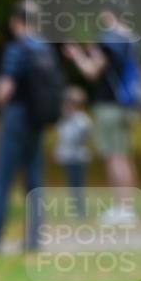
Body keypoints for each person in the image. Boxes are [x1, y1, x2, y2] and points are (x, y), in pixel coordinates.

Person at [0, 0, 63, 253]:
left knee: (2, 178)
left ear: (15, 21)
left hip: (15, 118)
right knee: (34, 179)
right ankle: (34, 240)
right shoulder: (45, 49)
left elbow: (5, 89)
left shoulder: (17, 49)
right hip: (37, 120)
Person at [62, 3, 139, 227]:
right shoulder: (131, 38)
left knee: (113, 155)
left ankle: (122, 208)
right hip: (127, 104)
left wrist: (76, 55)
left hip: (109, 106)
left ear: (108, 14)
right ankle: (128, 206)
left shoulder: (109, 38)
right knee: (124, 154)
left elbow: (92, 72)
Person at [53, 86, 92, 217]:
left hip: (78, 157)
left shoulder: (82, 120)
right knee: (71, 183)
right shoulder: (63, 119)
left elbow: (81, 137)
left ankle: (79, 209)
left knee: (78, 184)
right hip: (67, 157)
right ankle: (75, 208)